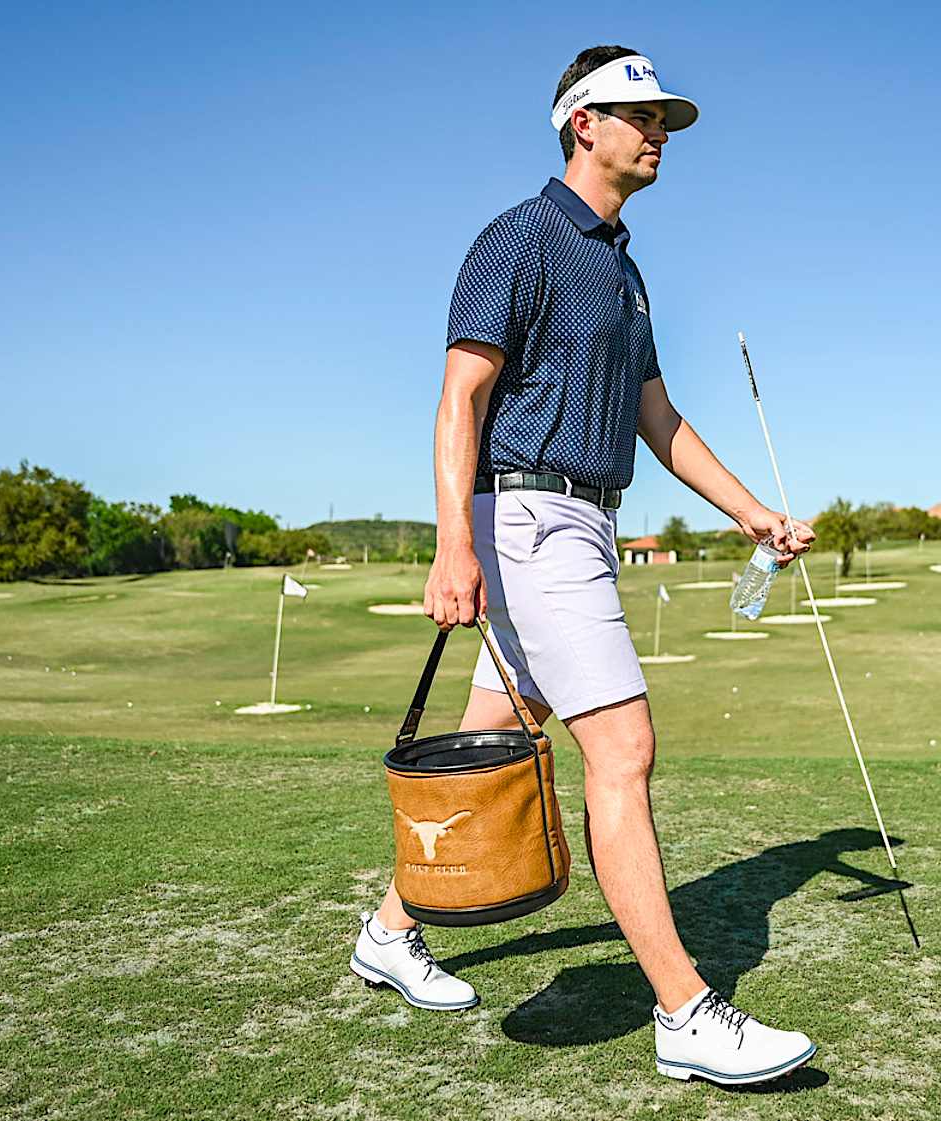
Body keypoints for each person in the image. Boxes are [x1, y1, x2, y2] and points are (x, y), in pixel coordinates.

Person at [348, 45, 819, 1087]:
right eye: (636, 116)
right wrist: (452, 544)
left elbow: (657, 417)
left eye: (664, 122)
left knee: (497, 742)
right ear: (580, 125)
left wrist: (752, 515)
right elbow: (460, 397)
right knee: (625, 749)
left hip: (581, 524)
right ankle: (686, 1010)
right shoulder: (519, 237)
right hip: (527, 522)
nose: (657, 135)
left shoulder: (623, 266)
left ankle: (389, 928)